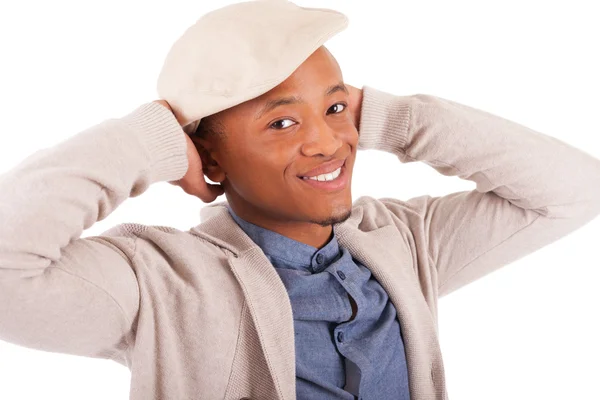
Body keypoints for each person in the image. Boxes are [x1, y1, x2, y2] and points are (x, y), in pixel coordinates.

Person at [1, 1, 599, 400]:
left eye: (336, 110)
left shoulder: (407, 242)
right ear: (208, 158)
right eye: (282, 124)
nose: (327, 142)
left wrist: (398, 121)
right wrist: (150, 139)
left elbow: (573, 190)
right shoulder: (157, 284)